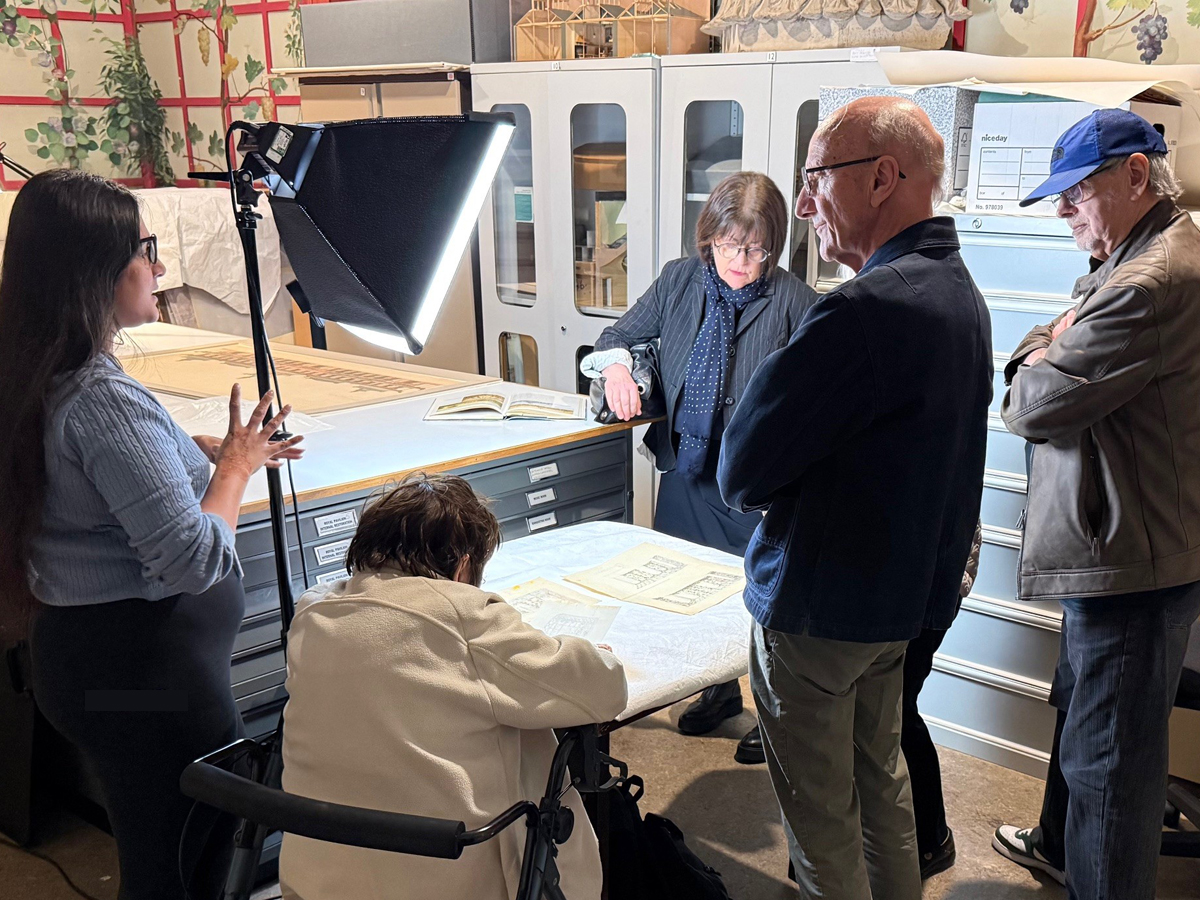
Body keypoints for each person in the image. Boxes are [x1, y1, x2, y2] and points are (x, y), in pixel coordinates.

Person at [0, 170, 304, 899]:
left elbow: (80, 480)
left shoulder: (36, 370)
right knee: (186, 862)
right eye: (147, 250)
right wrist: (235, 467)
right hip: (145, 681)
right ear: (96, 272)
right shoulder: (101, 396)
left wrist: (177, 452)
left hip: (91, 665)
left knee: (159, 843)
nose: (160, 268)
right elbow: (195, 559)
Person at [717, 97, 992, 900]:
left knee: (822, 829)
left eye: (815, 179)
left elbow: (742, 470)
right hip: (897, 607)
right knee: (883, 796)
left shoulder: (861, 310)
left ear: (881, 178)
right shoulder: (957, 291)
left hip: (819, 612)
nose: (804, 204)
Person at [992, 108, 1200, 900]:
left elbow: (1030, 406)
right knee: (1092, 739)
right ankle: (1059, 850)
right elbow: (1062, 336)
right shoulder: (1139, 255)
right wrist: (1056, 334)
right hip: (1129, 546)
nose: (1062, 211)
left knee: (1109, 774)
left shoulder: (1149, 283)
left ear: (1136, 175)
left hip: (1130, 566)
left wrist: (1037, 345)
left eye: (1077, 192)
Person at [279, 473, 628, 900]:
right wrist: (595, 653)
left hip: (320, 871)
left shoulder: (313, 613)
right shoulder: (463, 617)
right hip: (449, 873)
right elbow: (602, 690)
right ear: (463, 566)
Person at [581, 171, 817, 764]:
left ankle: (777, 715)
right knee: (688, 592)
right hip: (687, 471)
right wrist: (617, 369)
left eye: (755, 249)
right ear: (708, 237)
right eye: (729, 246)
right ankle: (719, 693)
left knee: (760, 603)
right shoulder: (679, 279)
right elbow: (617, 335)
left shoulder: (794, 298)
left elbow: (820, 391)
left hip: (755, 484)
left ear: (773, 245)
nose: (740, 262)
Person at [902, 520, 980, 880]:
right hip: (928, 570)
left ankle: (931, 840)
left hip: (929, 574)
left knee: (896, 710)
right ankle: (928, 839)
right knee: (893, 710)